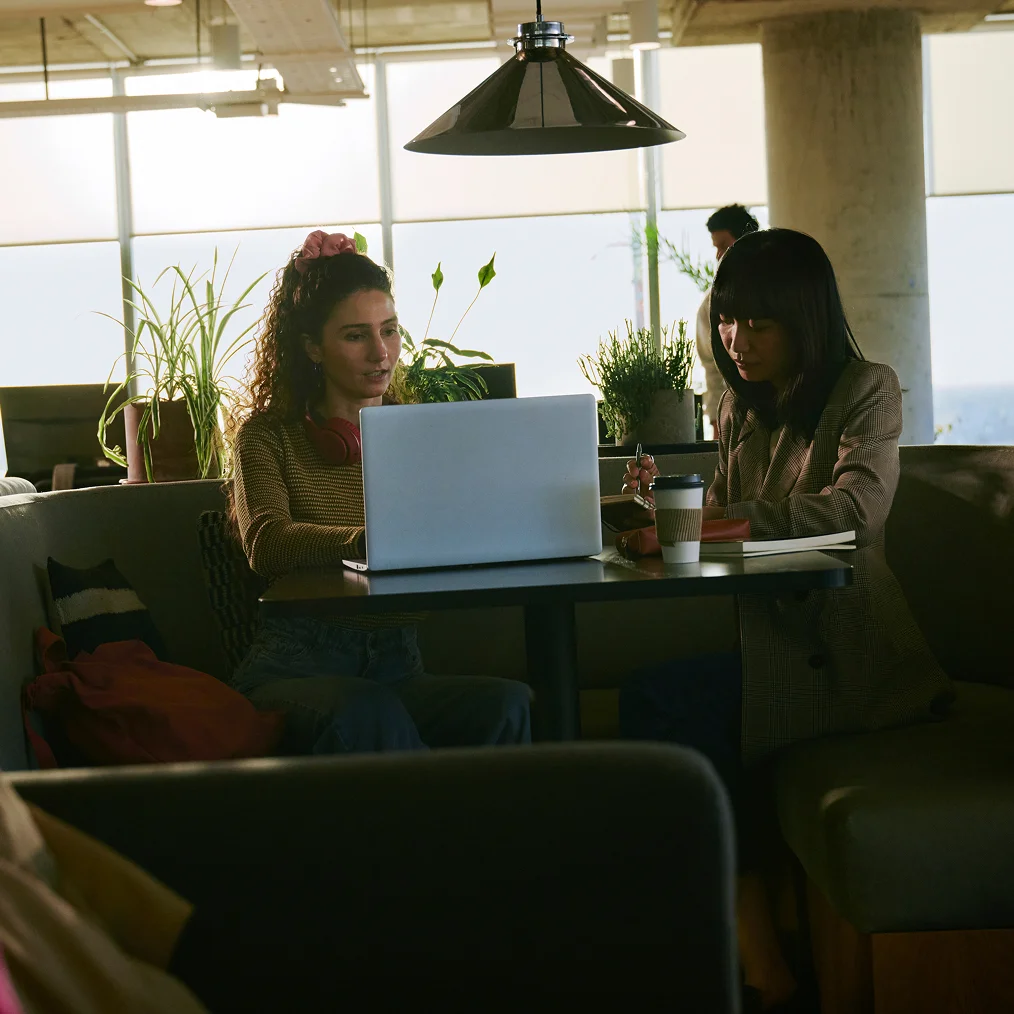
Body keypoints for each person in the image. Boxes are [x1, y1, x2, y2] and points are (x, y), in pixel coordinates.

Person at [620, 228, 953, 1012]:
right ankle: (753, 952)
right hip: (770, 644)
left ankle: (751, 957)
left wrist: (714, 524)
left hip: (849, 654)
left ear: (805, 319)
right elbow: (727, 518)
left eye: (758, 325)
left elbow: (856, 510)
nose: (736, 341)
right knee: (669, 706)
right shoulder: (741, 406)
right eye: (728, 322)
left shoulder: (867, 389)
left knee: (663, 705)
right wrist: (658, 501)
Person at [228, 230, 531, 755]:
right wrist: (369, 540)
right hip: (296, 668)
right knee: (370, 714)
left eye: (389, 330)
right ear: (311, 347)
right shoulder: (266, 435)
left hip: (399, 667)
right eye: (355, 336)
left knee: (508, 706)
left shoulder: (417, 435)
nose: (381, 353)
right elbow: (266, 543)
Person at [696, 205, 760, 430]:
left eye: (723, 246)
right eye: (727, 322)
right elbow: (711, 365)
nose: (718, 256)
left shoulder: (781, 294)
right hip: (736, 418)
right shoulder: (711, 303)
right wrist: (717, 421)